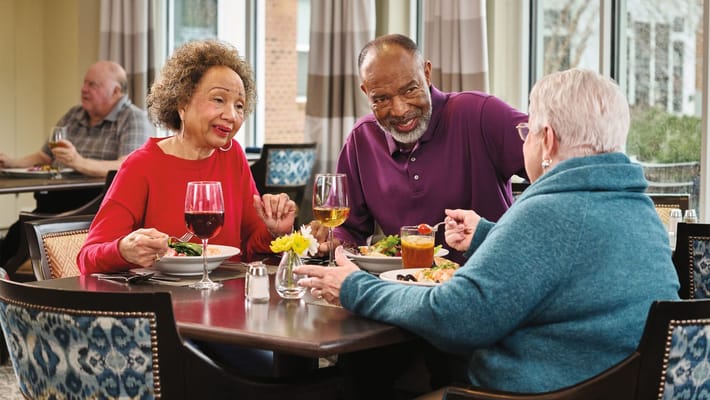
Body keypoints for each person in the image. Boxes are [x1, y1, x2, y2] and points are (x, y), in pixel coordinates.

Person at [296, 68, 680, 395]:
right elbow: (565, 264)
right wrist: (487, 235)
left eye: (528, 130)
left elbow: (456, 320)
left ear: (547, 140)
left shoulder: (548, 211)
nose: (524, 139)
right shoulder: (640, 212)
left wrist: (352, 287)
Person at [77, 39, 295, 274]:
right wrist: (123, 250)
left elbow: (251, 246)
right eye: (219, 100)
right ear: (182, 104)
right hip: (164, 302)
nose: (231, 115)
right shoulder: (141, 165)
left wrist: (275, 231)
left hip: (227, 298)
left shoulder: (233, 156)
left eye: (239, 106)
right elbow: (87, 258)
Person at [309, 34, 527, 263]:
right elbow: (350, 228)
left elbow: (554, 157)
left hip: (490, 280)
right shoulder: (361, 138)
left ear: (427, 73)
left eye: (409, 90)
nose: (400, 110)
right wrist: (336, 241)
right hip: (402, 287)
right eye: (381, 99)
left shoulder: (480, 113)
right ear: (366, 92)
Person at [0, 61, 154, 272]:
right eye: (84, 83)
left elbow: (126, 166)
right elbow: (44, 156)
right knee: (17, 233)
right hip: (54, 199)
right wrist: (10, 162)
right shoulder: (74, 115)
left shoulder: (133, 118)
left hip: (91, 204)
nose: (84, 89)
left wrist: (77, 161)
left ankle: (8, 282)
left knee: (20, 232)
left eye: (93, 84)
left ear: (115, 91)